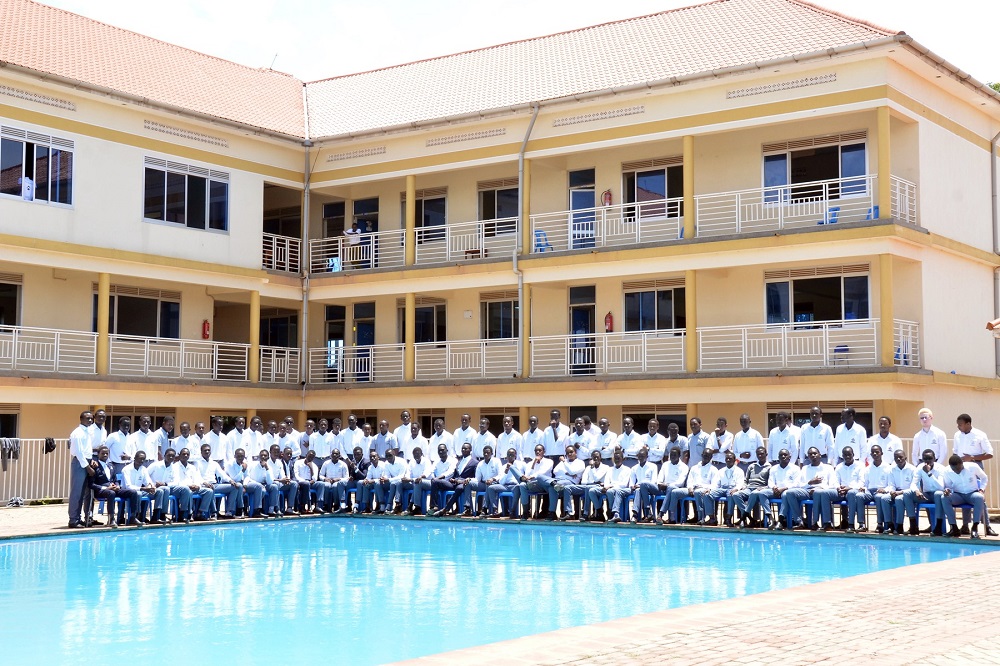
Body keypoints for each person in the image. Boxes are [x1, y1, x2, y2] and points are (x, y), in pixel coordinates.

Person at [786, 447, 836, 530]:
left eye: (815, 453)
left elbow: (832, 484)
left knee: (818, 493)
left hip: (822, 491)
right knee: (790, 493)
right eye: (810, 454)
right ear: (808, 457)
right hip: (807, 491)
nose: (813, 456)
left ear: (820, 455)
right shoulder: (805, 468)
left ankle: (815, 522)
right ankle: (799, 522)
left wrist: (820, 487)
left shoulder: (828, 468)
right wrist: (809, 483)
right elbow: (799, 484)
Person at [941, 454, 989, 539]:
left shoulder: (973, 467)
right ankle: (954, 528)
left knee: (979, 497)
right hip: (958, 495)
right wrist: (947, 490)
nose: (956, 471)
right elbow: (948, 485)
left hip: (972, 494)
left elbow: (984, 478)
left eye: (958, 468)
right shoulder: (947, 470)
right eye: (954, 469)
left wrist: (981, 490)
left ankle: (974, 528)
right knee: (944, 498)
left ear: (962, 463)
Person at [667, 447, 719, 525]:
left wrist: (707, 488)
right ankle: (672, 517)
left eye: (708, 456)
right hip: (692, 489)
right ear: (702, 455)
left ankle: (701, 518)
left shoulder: (713, 469)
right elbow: (690, 480)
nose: (706, 457)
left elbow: (715, 484)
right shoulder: (694, 468)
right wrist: (690, 487)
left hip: (703, 490)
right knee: (674, 492)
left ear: (711, 457)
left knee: (698, 492)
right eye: (705, 455)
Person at [846, 444, 892, 533]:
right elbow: (865, 483)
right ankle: (861, 524)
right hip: (869, 491)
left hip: (881, 492)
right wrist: (863, 488)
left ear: (881, 453)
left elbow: (891, 484)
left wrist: (885, 490)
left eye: (877, 452)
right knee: (859, 495)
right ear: (870, 454)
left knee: (879, 497)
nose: (875, 454)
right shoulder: (868, 468)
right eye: (873, 452)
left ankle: (880, 524)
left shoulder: (888, 468)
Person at [194, 442, 240, 519]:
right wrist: (205, 483)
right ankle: (213, 513)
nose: (207, 452)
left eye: (208, 450)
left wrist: (230, 481)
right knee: (210, 489)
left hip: (215, 485)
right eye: (205, 450)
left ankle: (229, 512)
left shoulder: (214, 463)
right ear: (201, 452)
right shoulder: (197, 463)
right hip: (203, 486)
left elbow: (222, 474)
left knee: (234, 487)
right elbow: (197, 476)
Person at [728, 446, 771, 528]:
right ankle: (750, 518)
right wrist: (744, 486)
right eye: (758, 454)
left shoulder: (770, 467)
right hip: (749, 489)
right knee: (735, 495)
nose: (760, 456)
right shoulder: (752, 466)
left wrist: (764, 488)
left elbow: (771, 482)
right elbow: (746, 480)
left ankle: (744, 518)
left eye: (762, 454)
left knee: (754, 494)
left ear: (766, 454)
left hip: (760, 490)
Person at [432, 441, 477, 516]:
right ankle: (434, 507)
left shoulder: (474, 462)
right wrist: (453, 479)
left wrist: (461, 481)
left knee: (459, 488)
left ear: (470, 450)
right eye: (462, 448)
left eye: (466, 449)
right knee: (435, 481)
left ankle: (446, 509)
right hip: (454, 483)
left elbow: (475, 477)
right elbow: (456, 474)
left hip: (464, 484)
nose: (463, 450)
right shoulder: (459, 461)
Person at [68, 411, 96, 528]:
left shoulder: (87, 432)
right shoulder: (78, 433)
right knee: (77, 492)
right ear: (81, 419)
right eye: (87, 418)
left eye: (91, 418)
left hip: (86, 461)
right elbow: (79, 452)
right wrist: (88, 467)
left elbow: (86, 450)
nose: (90, 420)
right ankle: (73, 520)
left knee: (84, 493)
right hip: (80, 463)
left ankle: (79, 518)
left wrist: (91, 460)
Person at [121, 451, 166, 524]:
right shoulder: (126, 469)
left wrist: (151, 487)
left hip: (140, 491)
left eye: (143, 459)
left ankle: (155, 517)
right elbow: (128, 486)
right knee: (138, 493)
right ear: (135, 458)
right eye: (140, 458)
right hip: (127, 492)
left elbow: (148, 481)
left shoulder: (143, 469)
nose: (142, 461)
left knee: (159, 491)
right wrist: (143, 488)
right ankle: (135, 517)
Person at [588, 448, 632, 523]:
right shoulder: (610, 469)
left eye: (618, 458)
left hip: (618, 489)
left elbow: (624, 484)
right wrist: (606, 486)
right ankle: (599, 511)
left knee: (610, 492)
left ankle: (611, 511)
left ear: (623, 459)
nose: (616, 460)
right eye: (615, 458)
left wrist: (611, 486)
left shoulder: (627, 469)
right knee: (592, 491)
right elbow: (606, 480)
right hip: (608, 488)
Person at [703, 450, 745, 527]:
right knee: (707, 495)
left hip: (732, 489)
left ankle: (728, 519)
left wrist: (736, 489)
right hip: (722, 488)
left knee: (731, 495)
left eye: (730, 459)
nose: (728, 460)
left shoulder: (739, 471)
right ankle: (712, 518)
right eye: (727, 459)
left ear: (734, 460)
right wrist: (710, 489)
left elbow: (740, 483)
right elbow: (716, 483)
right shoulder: (721, 471)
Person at [882, 449, 918, 535]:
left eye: (901, 457)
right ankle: (890, 524)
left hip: (908, 493)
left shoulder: (912, 469)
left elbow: (914, 487)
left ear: (905, 458)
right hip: (896, 491)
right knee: (884, 498)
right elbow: (891, 484)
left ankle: (899, 526)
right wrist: (892, 491)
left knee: (899, 499)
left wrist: (900, 492)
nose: (898, 459)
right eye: (896, 458)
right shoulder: (892, 469)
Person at [513, 444, 553, 519]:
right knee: (522, 485)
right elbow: (527, 475)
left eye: (540, 450)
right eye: (536, 450)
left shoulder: (549, 461)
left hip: (545, 485)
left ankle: (548, 513)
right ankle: (525, 512)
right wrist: (534, 463)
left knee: (542, 481)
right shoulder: (530, 463)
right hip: (534, 484)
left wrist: (532, 476)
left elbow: (542, 472)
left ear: (544, 452)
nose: (538, 452)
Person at [912, 449, 948, 536]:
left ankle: (938, 527)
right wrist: (916, 491)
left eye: (930, 458)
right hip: (926, 494)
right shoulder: (920, 467)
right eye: (925, 459)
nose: (927, 461)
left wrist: (929, 473)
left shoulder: (941, 468)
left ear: (934, 458)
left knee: (938, 494)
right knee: (908, 495)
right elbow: (913, 483)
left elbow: (940, 486)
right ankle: (913, 526)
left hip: (938, 494)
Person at [175, 447, 216, 523]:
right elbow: (176, 481)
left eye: (187, 454)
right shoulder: (175, 467)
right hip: (183, 489)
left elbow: (198, 478)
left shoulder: (192, 467)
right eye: (183, 454)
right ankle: (189, 514)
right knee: (188, 492)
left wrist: (197, 486)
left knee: (209, 491)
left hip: (194, 487)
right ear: (179, 455)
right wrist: (188, 486)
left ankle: (200, 513)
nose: (185, 456)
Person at [768, 449, 804, 530]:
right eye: (781, 455)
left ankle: (780, 520)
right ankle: (770, 519)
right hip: (775, 491)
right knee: (761, 493)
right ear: (778, 457)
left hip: (789, 491)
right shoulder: (773, 468)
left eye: (785, 455)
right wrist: (774, 487)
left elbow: (797, 483)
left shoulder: (795, 468)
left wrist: (784, 488)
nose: (783, 456)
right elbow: (770, 481)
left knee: (786, 494)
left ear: (789, 457)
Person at [546, 444, 585, 520]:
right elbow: (555, 471)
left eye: (571, 452)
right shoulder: (564, 462)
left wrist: (564, 463)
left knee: (554, 485)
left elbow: (572, 471)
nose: (569, 454)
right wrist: (568, 473)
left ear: (576, 452)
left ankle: (567, 513)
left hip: (571, 482)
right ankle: (552, 513)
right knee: (550, 486)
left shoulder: (580, 462)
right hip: (558, 481)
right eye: (567, 453)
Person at [486, 448, 527, 518]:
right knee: (491, 488)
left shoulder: (521, 464)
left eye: (512, 455)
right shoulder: (503, 466)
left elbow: (526, 474)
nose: (510, 457)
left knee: (517, 488)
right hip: (505, 486)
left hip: (515, 485)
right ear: (506, 456)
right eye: (508, 455)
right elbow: (501, 482)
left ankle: (512, 511)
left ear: (515, 455)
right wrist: (506, 471)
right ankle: (495, 510)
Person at [90, 446, 125, 528]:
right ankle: (111, 519)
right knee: (111, 493)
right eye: (103, 453)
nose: (105, 455)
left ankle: (132, 518)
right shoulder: (94, 466)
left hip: (113, 489)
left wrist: (117, 486)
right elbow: (91, 484)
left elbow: (115, 480)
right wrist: (106, 488)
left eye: (107, 453)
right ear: (98, 454)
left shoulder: (111, 466)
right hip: (100, 491)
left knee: (131, 492)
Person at [652, 447, 688, 524]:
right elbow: (660, 478)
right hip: (663, 488)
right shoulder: (665, 464)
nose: (672, 456)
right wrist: (660, 483)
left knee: (671, 488)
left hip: (676, 489)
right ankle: (649, 514)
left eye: (674, 455)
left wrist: (668, 485)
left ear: (679, 456)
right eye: (671, 455)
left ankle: (661, 514)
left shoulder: (684, 467)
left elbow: (681, 482)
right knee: (645, 485)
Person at [465, 445, 501, 517]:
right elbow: (477, 479)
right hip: (483, 484)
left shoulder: (496, 461)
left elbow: (500, 475)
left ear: (492, 453)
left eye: (488, 453)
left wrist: (492, 479)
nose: (486, 454)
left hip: (494, 484)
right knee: (468, 484)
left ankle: (485, 508)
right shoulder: (480, 463)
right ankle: (468, 508)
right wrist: (470, 479)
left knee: (489, 484)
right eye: (484, 453)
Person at [576, 451, 610, 521]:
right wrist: (592, 482)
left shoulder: (605, 467)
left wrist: (592, 467)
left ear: (600, 458)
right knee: (569, 488)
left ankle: (585, 513)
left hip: (599, 487)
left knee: (588, 488)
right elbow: (583, 482)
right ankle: (599, 511)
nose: (596, 459)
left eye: (597, 457)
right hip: (588, 486)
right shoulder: (588, 468)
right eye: (594, 457)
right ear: (591, 458)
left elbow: (596, 478)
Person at [627, 447, 659, 522]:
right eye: (639, 456)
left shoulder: (653, 466)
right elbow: (632, 481)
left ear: (647, 457)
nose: (640, 458)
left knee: (643, 485)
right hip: (639, 489)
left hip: (651, 488)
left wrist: (641, 485)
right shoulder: (634, 468)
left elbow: (654, 481)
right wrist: (632, 486)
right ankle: (636, 514)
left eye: (642, 456)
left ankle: (645, 512)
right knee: (638, 490)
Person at [245, 448, 278, 517]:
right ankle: (256, 511)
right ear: (259, 457)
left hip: (263, 485)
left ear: (268, 457)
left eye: (265, 456)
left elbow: (269, 482)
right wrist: (258, 484)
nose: (263, 457)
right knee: (260, 488)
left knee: (274, 487)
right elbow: (247, 477)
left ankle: (271, 510)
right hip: (251, 483)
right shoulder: (252, 464)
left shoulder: (269, 467)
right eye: (261, 455)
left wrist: (267, 469)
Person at [223, 448, 253, 518]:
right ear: (234, 456)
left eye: (242, 456)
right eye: (238, 456)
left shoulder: (245, 463)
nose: (240, 458)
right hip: (229, 483)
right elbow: (234, 479)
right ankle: (240, 509)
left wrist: (245, 485)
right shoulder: (230, 464)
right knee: (239, 486)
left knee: (257, 486)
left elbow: (247, 476)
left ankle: (257, 510)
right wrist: (243, 470)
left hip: (242, 483)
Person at [426, 443, 456, 514]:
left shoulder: (453, 460)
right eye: (439, 450)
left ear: (447, 450)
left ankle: (433, 507)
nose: (441, 452)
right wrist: (424, 476)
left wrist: (438, 478)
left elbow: (451, 472)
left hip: (449, 483)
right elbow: (431, 470)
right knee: (431, 481)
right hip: (436, 483)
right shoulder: (436, 461)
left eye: (442, 450)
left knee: (435, 481)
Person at [271, 445, 299, 516]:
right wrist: (281, 480)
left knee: (294, 484)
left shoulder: (279, 462)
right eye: (274, 452)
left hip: (280, 483)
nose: (276, 454)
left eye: (277, 452)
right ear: (270, 452)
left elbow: (282, 475)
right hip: (270, 483)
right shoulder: (267, 462)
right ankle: (277, 509)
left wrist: (285, 480)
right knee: (275, 485)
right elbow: (268, 479)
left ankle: (290, 508)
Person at [403, 447, 432, 515]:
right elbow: (408, 473)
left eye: (418, 454)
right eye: (414, 454)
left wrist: (414, 479)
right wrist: (406, 478)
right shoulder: (411, 462)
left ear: (421, 454)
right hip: (415, 483)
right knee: (401, 483)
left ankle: (415, 507)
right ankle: (399, 505)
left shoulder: (426, 461)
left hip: (428, 482)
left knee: (418, 482)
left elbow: (426, 474)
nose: (416, 456)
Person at [379, 449, 408, 514]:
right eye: (386, 456)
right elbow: (387, 475)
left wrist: (388, 479)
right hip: (393, 481)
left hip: (404, 481)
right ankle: (381, 505)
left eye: (390, 455)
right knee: (378, 483)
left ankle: (393, 505)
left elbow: (401, 476)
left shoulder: (402, 462)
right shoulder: (386, 463)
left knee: (394, 483)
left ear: (394, 454)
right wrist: (384, 478)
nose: (388, 457)